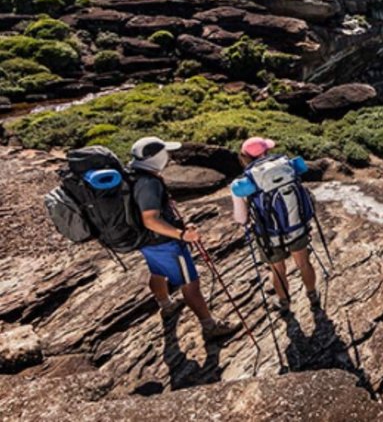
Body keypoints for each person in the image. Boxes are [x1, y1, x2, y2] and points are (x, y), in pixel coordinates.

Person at [130, 136, 239, 340]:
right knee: (190, 283)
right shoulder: (149, 184)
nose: (168, 156)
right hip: (165, 243)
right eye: (164, 153)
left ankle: (166, 305)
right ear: (155, 157)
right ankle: (209, 326)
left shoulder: (134, 176)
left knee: (157, 272)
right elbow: (150, 219)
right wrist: (181, 234)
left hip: (148, 242)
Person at [231, 137, 320, 315]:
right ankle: (312, 296)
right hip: (296, 225)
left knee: (277, 270)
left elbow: (241, 219)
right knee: (303, 263)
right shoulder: (288, 166)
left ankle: (284, 303)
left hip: (268, 233)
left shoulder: (244, 183)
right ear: (266, 152)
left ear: (245, 157)